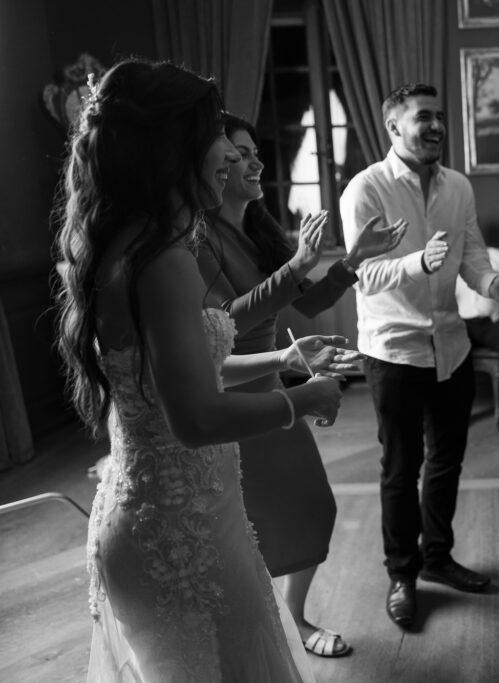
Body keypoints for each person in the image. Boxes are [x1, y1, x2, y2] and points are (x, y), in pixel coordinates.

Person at [55, 59, 346, 681]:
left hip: (174, 516)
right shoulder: (162, 259)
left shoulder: (128, 244)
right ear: (170, 149)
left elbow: (184, 376)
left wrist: (284, 360)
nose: (230, 152)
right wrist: (305, 398)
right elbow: (195, 417)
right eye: (214, 132)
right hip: (181, 538)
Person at [195, 113, 407, 657]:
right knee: (244, 521)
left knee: (312, 506)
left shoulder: (259, 228)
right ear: (214, 165)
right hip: (228, 387)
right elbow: (226, 326)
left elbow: (306, 300)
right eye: (240, 153)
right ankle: (256, 629)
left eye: (254, 151)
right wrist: (294, 266)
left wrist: (354, 258)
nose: (256, 161)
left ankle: (292, 617)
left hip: (269, 380)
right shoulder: (199, 240)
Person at [338, 83, 499, 629]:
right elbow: (364, 274)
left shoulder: (458, 187)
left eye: (440, 117)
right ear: (393, 127)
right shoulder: (366, 189)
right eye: (424, 117)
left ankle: (438, 558)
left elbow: (470, 256)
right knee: (401, 468)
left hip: (452, 343)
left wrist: (496, 285)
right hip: (394, 350)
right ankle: (402, 574)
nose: (436, 126)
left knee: (446, 461)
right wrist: (417, 262)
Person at [455, 244, 499, 432]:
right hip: (462, 323)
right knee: (451, 348)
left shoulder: (497, 255)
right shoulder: (450, 259)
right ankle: (458, 412)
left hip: (492, 322)